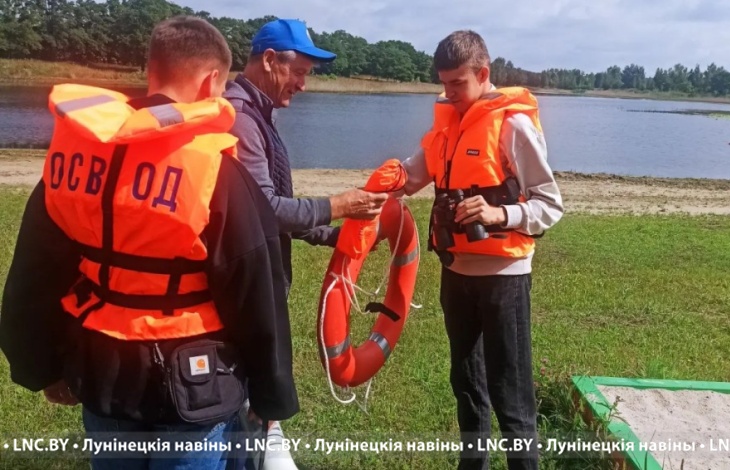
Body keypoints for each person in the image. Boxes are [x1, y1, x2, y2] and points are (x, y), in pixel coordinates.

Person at [0, 16, 297, 470]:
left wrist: (38, 366)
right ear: (211, 80)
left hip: (102, 374)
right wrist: (271, 396)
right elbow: (257, 291)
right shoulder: (215, 171)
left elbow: (34, 273)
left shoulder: (71, 160)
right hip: (194, 389)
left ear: (151, 69)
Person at [223, 18, 388, 470]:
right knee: (246, 397)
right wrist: (341, 204)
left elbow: (278, 211)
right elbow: (267, 210)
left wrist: (337, 236)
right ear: (270, 60)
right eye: (300, 72)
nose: (303, 84)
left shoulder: (259, 114)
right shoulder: (240, 119)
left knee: (258, 395)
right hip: (244, 289)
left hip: (259, 282)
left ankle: (259, 441)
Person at [398, 30, 564, 470]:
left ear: (483, 74)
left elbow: (550, 205)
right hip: (457, 273)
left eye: (458, 84)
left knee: (511, 394)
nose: (449, 94)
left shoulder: (513, 125)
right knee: (467, 386)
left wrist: (498, 215)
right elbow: (413, 174)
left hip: (504, 278)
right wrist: (373, 189)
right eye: (444, 83)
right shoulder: (446, 125)